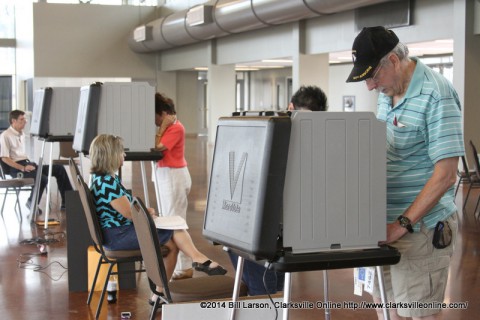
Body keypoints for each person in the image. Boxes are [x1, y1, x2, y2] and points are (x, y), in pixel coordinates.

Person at [346, 26, 464, 320]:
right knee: (388, 312)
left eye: (373, 76)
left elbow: (447, 175)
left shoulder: (437, 95)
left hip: (419, 230)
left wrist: (401, 224)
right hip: (383, 226)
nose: (370, 87)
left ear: (393, 61)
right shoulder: (389, 91)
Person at [88, 134, 226, 304]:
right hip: (118, 235)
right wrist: (146, 212)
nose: (124, 155)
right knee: (174, 234)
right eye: (121, 152)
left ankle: (162, 291)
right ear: (109, 155)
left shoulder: (102, 179)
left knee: (172, 242)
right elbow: (130, 214)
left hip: (119, 231)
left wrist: (145, 211)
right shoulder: (107, 182)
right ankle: (192, 263)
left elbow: (128, 209)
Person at [228, 85, 328, 296]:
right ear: (290, 107)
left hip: (277, 231)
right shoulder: (266, 131)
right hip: (249, 228)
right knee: (263, 291)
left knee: (270, 290)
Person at [153, 93, 193, 280]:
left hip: (173, 176)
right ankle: (180, 265)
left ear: (162, 113)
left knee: (175, 223)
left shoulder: (175, 128)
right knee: (171, 222)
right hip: (165, 175)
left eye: (155, 116)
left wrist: (162, 127)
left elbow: (157, 148)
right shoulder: (167, 127)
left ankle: (184, 266)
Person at [0, 110, 72, 212]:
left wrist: (27, 165)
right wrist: (23, 168)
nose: (25, 121)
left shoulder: (22, 134)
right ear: (13, 121)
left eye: (25, 119)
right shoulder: (5, 136)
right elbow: (4, 158)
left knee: (59, 169)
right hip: (16, 169)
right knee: (42, 179)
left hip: (27, 164)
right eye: (22, 119)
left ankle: (68, 202)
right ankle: (31, 202)